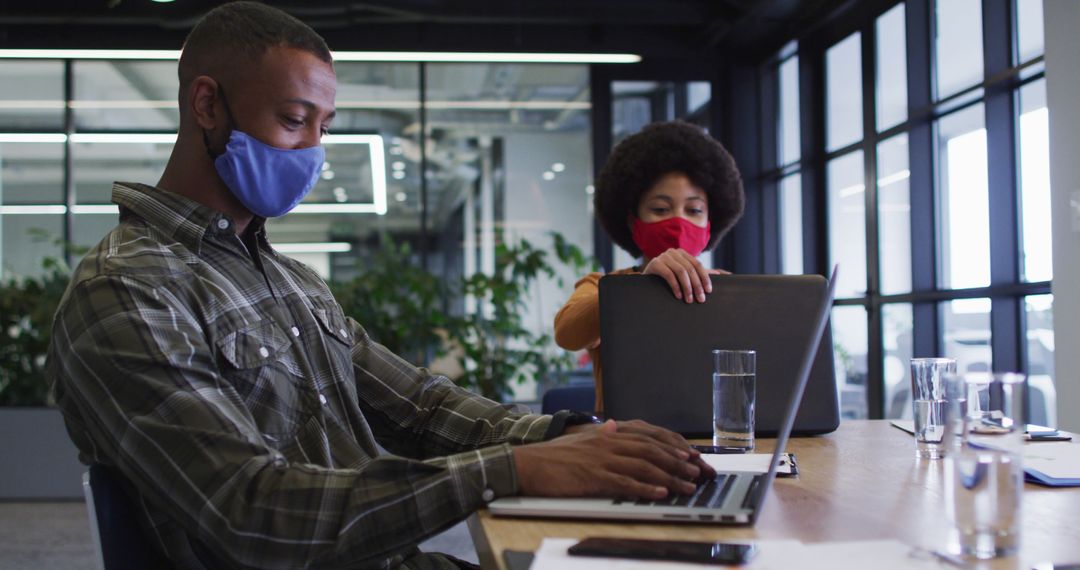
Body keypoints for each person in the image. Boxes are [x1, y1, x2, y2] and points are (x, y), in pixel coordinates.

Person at [44, 4, 713, 569]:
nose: (311, 150)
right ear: (207, 104)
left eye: (324, 127)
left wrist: (575, 435)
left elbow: (419, 407)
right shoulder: (127, 292)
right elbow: (251, 509)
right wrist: (516, 470)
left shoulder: (288, 280)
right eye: (293, 118)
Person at [553, 121, 745, 413]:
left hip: (716, 443)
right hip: (627, 443)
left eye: (694, 210)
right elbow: (568, 333)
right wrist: (642, 283)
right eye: (660, 209)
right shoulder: (602, 286)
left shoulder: (733, 291)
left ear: (710, 224)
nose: (678, 222)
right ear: (633, 221)